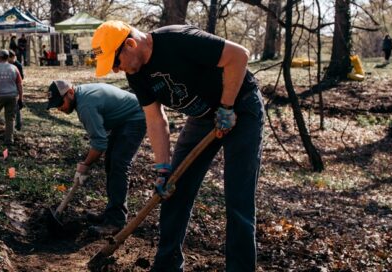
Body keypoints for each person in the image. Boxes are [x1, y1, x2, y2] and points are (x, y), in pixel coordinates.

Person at [92, 21, 264, 271]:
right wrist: (163, 169)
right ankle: (167, 265)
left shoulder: (178, 40)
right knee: (174, 188)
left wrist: (226, 107)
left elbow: (239, 56)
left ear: (129, 44)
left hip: (241, 106)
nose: (117, 70)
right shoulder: (136, 73)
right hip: (204, 117)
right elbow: (155, 118)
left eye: (115, 63)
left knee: (238, 198)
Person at [46, 80, 146, 235]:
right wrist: (86, 164)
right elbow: (100, 140)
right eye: (56, 105)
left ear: (70, 93)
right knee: (110, 162)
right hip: (124, 120)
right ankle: (111, 213)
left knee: (118, 165)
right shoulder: (82, 97)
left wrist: (85, 164)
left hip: (136, 117)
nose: (60, 108)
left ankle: (115, 221)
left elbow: (99, 144)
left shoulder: (86, 105)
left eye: (61, 103)